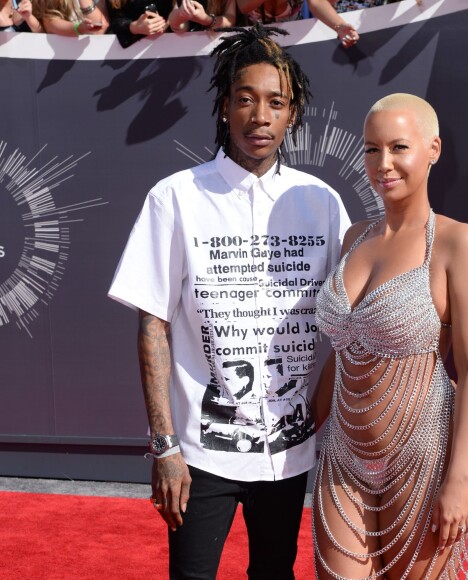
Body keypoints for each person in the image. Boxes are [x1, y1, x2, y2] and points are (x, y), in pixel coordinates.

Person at [108, 23, 351, 580]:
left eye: (275, 103)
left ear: (292, 113)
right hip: (199, 452)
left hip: (290, 452)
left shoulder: (322, 203)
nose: (259, 116)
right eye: (245, 99)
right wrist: (165, 448)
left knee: (274, 573)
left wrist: (316, 412)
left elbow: (345, 324)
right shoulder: (175, 197)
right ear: (224, 107)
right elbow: (152, 326)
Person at [312, 93, 468, 579]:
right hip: (344, 456)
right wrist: (311, 415)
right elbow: (346, 343)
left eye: (398, 148)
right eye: (372, 150)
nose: (383, 164)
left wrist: (456, 481)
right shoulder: (354, 238)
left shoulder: (459, 243)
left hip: (426, 458)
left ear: (432, 149)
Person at [237, 0, 359, 48]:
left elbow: (316, 2)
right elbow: (243, 6)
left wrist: (339, 26)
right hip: (256, 44)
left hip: (295, 43)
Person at [106, 0, 172, 47]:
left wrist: (166, 23)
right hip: (128, 53)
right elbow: (114, 22)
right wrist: (134, 27)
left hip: (170, 47)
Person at [37, 0, 109, 35]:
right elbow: (49, 23)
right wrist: (78, 28)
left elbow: (100, 29)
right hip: (62, 55)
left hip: (93, 55)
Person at [168, 0, 236, 33]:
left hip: (219, 47)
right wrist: (182, 13)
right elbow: (177, 26)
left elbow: (230, 19)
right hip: (188, 50)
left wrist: (206, 20)